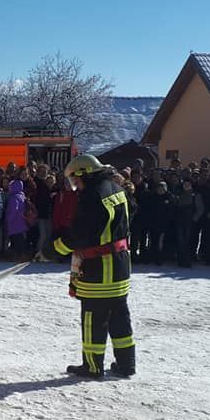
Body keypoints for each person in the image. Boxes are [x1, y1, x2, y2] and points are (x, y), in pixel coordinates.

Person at [44, 154, 135, 379]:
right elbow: (130, 213)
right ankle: (126, 365)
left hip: (99, 269)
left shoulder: (93, 196)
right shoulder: (115, 188)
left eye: (75, 180)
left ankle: (92, 367)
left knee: (93, 319)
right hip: (120, 265)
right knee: (119, 317)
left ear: (84, 174)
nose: (75, 185)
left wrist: (51, 250)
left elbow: (80, 236)